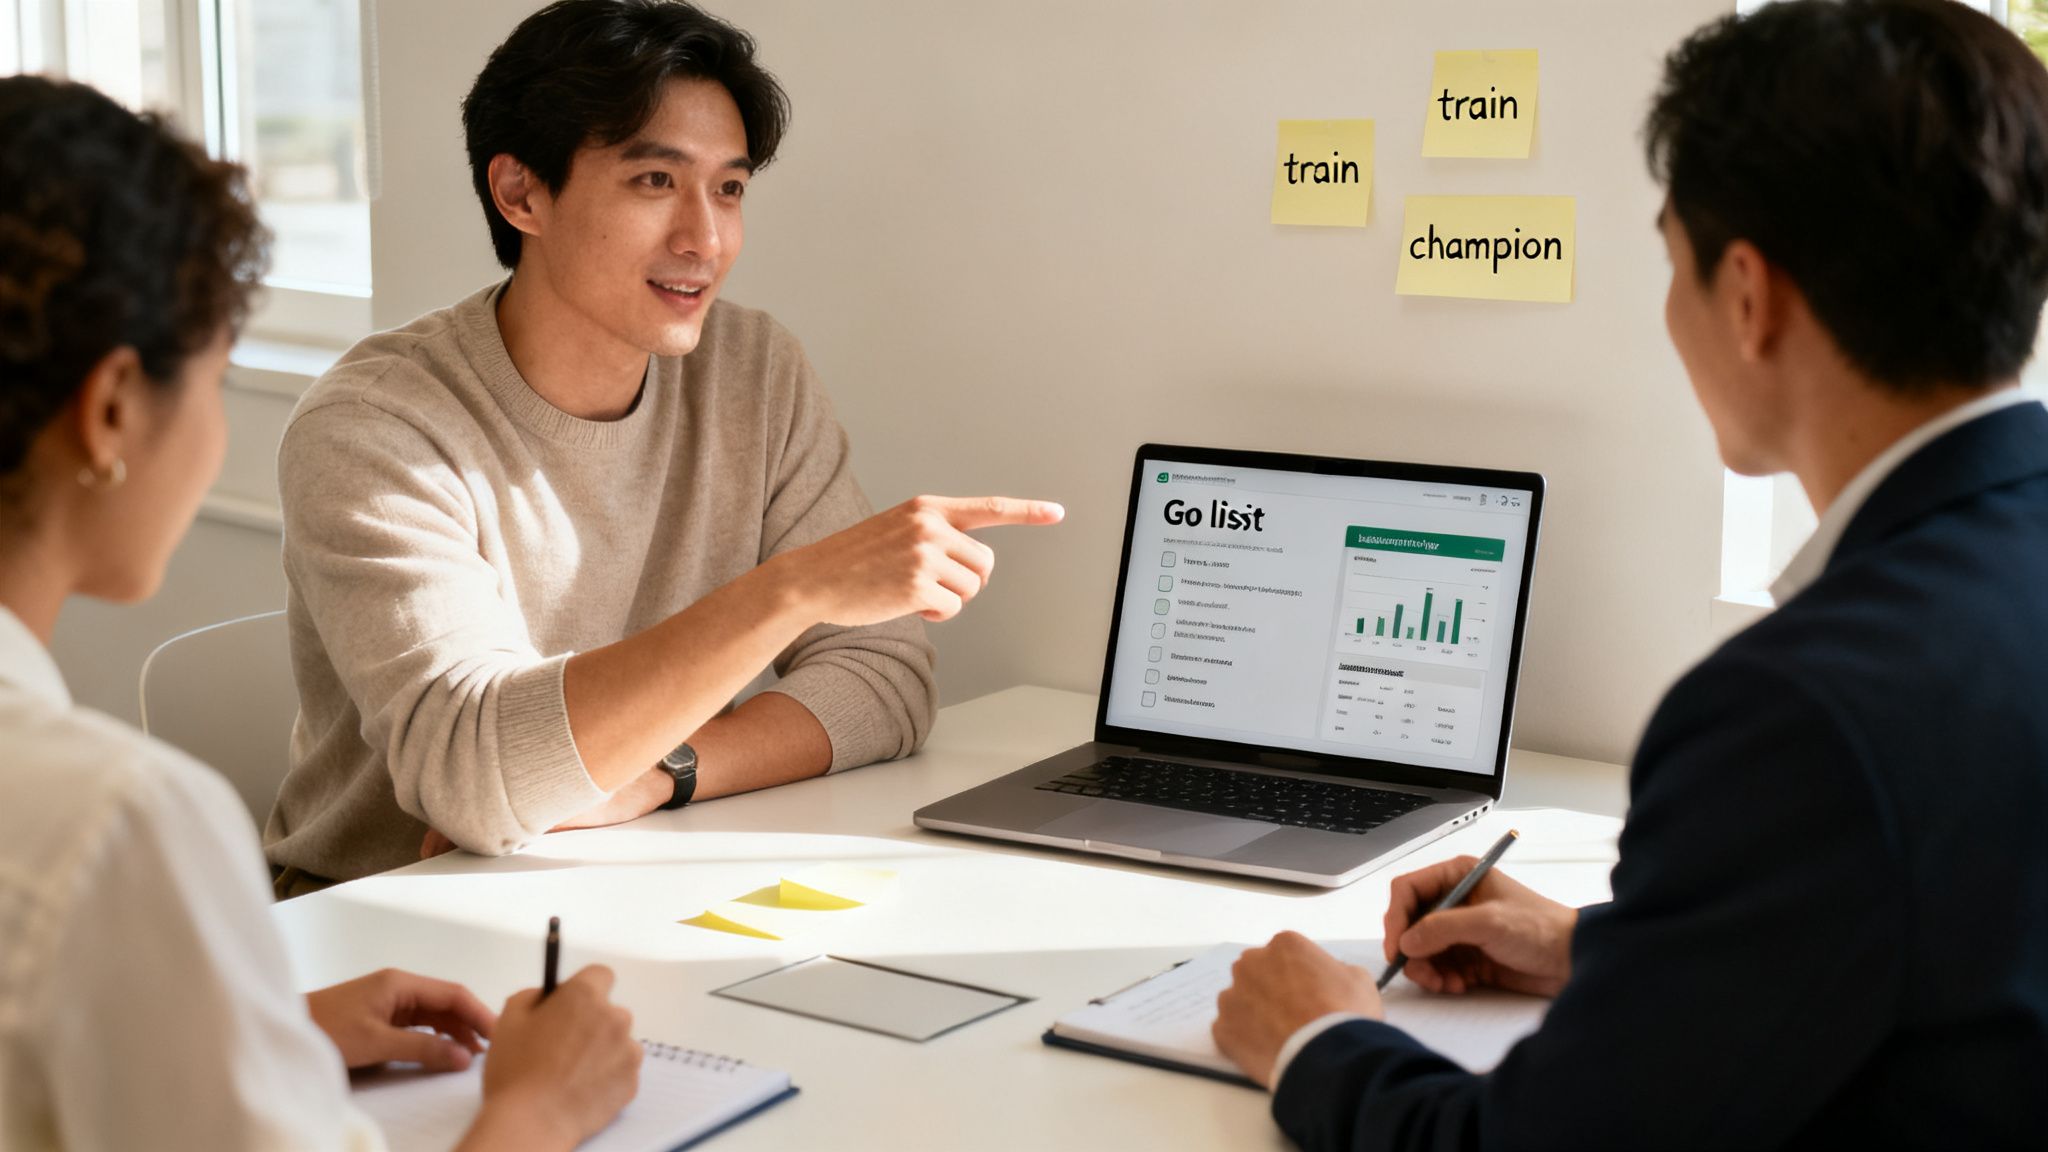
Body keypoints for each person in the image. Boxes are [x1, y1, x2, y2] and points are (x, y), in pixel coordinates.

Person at [1212, 1, 2048, 1147]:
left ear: (1747, 295)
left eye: (1671, 265)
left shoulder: (1792, 709)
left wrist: (1314, 1038)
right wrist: (1611, 952)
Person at [264, 0, 1062, 895]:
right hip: (380, 933)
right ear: (521, 193)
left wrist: (660, 774)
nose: (705, 239)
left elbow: (884, 683)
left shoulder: (751, 368)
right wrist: (793, 592)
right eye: (654, 182)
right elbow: (479, 785)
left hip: (620, 886)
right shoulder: (378, 428)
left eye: (728, 188)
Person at [0, 75, 642, 1150]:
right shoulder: (116, 824)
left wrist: (241, 1030)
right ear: (113, 409)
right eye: (215, 377)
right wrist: (536, 1109)